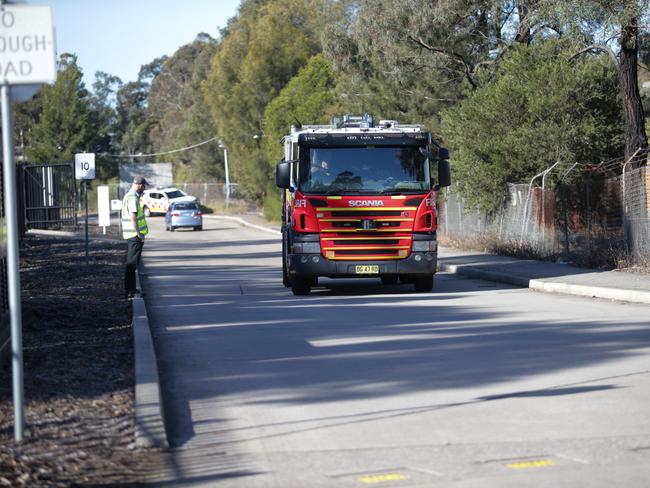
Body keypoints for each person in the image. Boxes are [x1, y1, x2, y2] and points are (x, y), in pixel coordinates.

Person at [122, 176, 149, 299]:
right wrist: (138, 233)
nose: (144, 188)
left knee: (132, 263)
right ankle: (130, 290)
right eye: (144, 186)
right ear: (139, 185)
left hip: (132, 235)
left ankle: (130, 289)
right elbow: (133, 217)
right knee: (132, 264)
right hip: (134, 235)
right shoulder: (132, 198)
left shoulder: (129, 196)